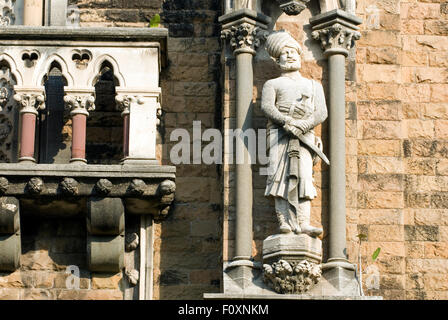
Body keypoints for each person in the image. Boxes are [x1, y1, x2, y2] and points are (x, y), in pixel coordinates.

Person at [261, 31, 328, 237]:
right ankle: (285, 222)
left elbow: (321, 111)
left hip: (305, 137)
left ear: (300, 56)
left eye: (293, 52)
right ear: (277, 59)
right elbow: (267, 107)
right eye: (285, 52)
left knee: (304, 177)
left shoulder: (313, 86)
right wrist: (286, 121)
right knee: (279, 177)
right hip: (280, 136)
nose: (290, 55)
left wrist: (303, 125)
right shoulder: (272, 84)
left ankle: (303, 223)